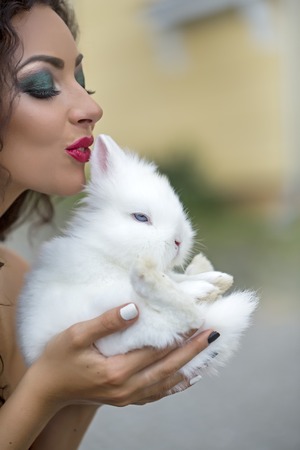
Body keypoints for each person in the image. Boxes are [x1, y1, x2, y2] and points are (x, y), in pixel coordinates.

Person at [0, 1, 220, 449]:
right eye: (43, 84)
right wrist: (47, 387)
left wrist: (91, 376)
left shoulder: (17, 277)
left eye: (80, 80)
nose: (90, 108)